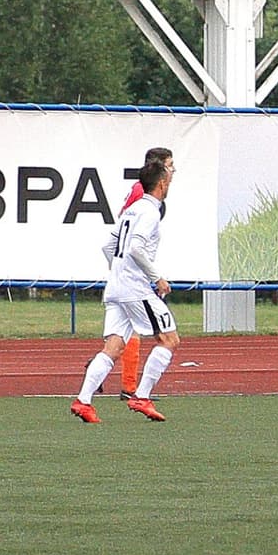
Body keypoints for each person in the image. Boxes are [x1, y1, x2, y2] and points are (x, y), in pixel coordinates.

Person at [71, 157, 178, 423]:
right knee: (169, 339)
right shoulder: (150, 212)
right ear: (162, 184)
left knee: (114, 346)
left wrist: (118, 272)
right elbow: (136, 248)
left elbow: (108, 247)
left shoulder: (132, 210)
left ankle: (83, 401)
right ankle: (142, 396)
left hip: (116, 287)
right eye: (169, 177)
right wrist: (156, 278)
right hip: (135, 288)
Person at [107, 147, 173, 401]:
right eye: (169, 165)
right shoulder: (144, 199)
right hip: (131, 277)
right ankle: (131, 388)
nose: (172, 171)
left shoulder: (144, 196)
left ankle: (117, 383)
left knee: (124, 335)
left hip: (127, 274)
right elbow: (131, 241)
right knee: (162, 336)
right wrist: (148, 275)